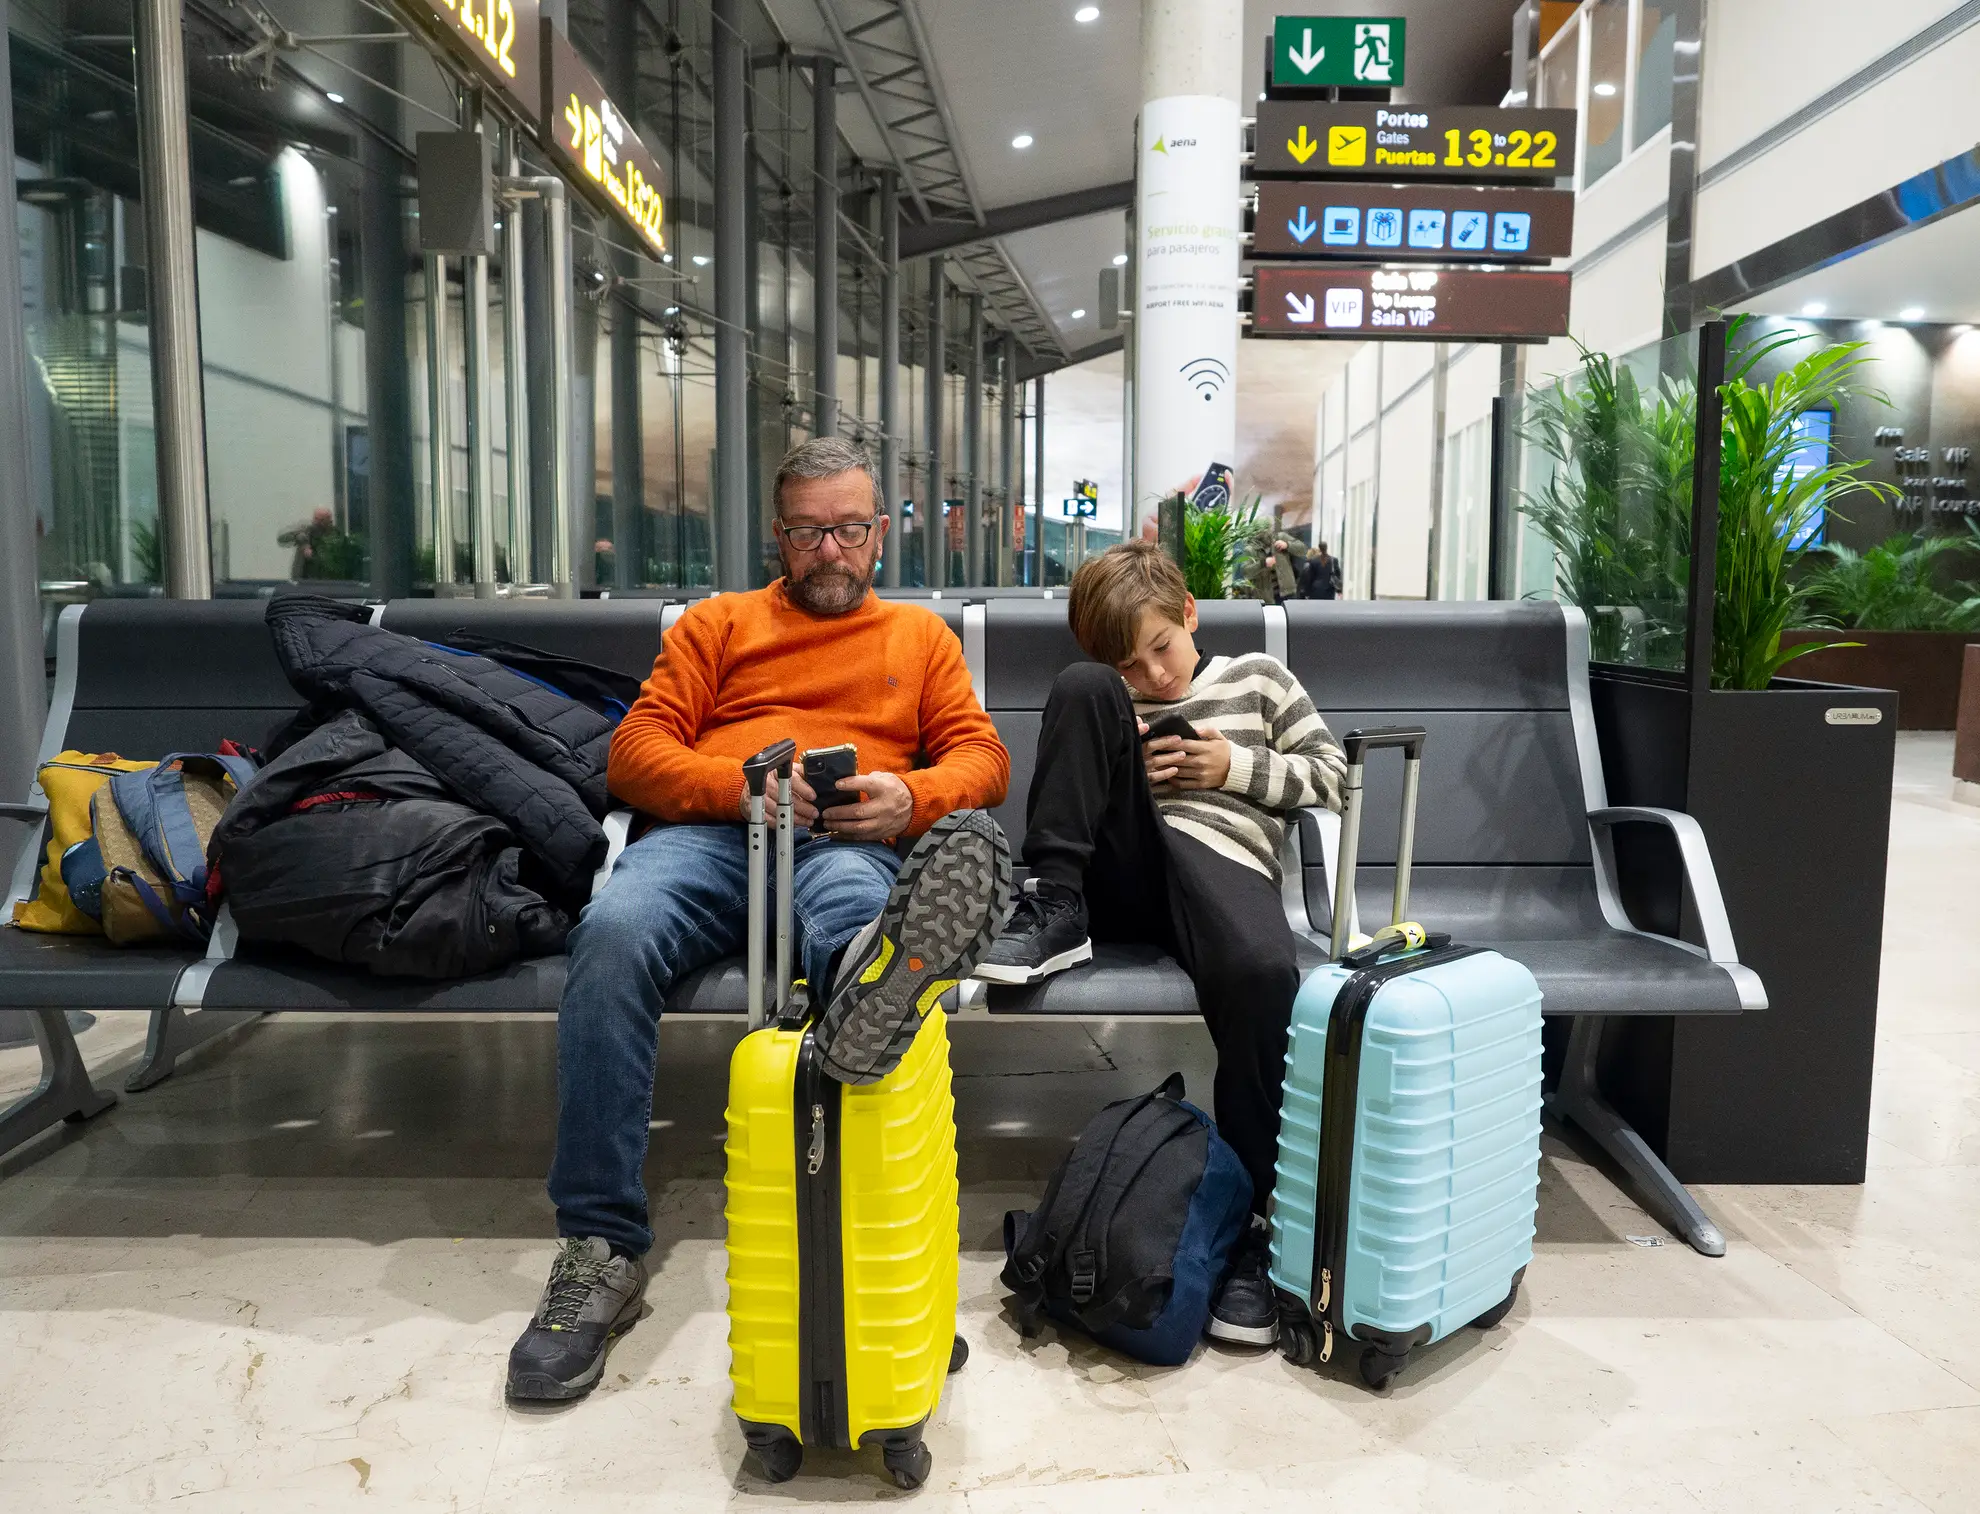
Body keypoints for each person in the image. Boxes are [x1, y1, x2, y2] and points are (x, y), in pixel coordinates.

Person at [508, 436, 1011, 1403]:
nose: (831, 549)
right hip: (710, 839)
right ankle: (600, 1248)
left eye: (849, 529)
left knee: (865, 956)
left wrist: (909, 798)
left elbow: (982, 759)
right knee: (610, 936)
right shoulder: (719, 625)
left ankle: (877, 1244)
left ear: (879, 534)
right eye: (810, 532)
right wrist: (739, 789)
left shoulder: (921, 640)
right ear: (779, 536)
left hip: (845, 845)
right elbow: (634, 753)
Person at [974, 542, 1346, 1348]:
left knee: (1262, 974)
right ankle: (1054, 901)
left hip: (1221, 867)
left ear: (1189, 614)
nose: (1153, 676)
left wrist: (1230, 766)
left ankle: (1251, 1221)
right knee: (1081, 690)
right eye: (1129, 664)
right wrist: (1125, 770)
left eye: (1161, 648)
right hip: (1123, 872)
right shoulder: (1109, 695)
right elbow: (1098, 730)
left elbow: (1335, 776)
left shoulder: (1259, 679)